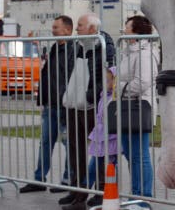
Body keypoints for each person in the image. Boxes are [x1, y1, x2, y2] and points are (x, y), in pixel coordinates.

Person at [20, 15, 76, 194]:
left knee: (69, 144)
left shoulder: (73, 50)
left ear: (67, 30)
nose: (53, 30)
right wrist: (42, 99)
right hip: (51, 105)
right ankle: (39, 179)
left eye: (56, 27)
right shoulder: (54, 48)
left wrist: (65, 99)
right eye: (53, 27)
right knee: (45, 142)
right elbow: (47, 76)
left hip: (65, 105)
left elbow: (71, 78)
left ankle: (68, 180)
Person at [60, 13, 107, 209]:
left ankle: (102, 191)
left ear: (92, 29)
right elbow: (70, 72)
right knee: (75, 150)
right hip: (74, 105)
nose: (76, 28)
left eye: (80, 25)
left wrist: (91, 95)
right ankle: (78, 192)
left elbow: (106, 74)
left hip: (92, 106)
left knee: (99, 150)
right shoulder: (76, 46)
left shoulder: (104, 46)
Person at [118, 15, 159, 199]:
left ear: (136, 32)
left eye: (126, 29)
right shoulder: (130, 52)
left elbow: (142, 82)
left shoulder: (144, 53)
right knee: (130, 152)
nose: (124, 32)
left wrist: (119, 89)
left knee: (139, 154)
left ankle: (143, 195)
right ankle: (136, 193)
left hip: (139, 107)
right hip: (128, 106)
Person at [85, 66, 119, 208]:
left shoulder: (114, 98)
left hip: (110, 138)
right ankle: (85, 193)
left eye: (108, 80)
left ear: (115, 81)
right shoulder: (103, 96)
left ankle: (107, 194)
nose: (105, 82)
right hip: (100, 136)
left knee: (109, 167)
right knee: (93, 167)